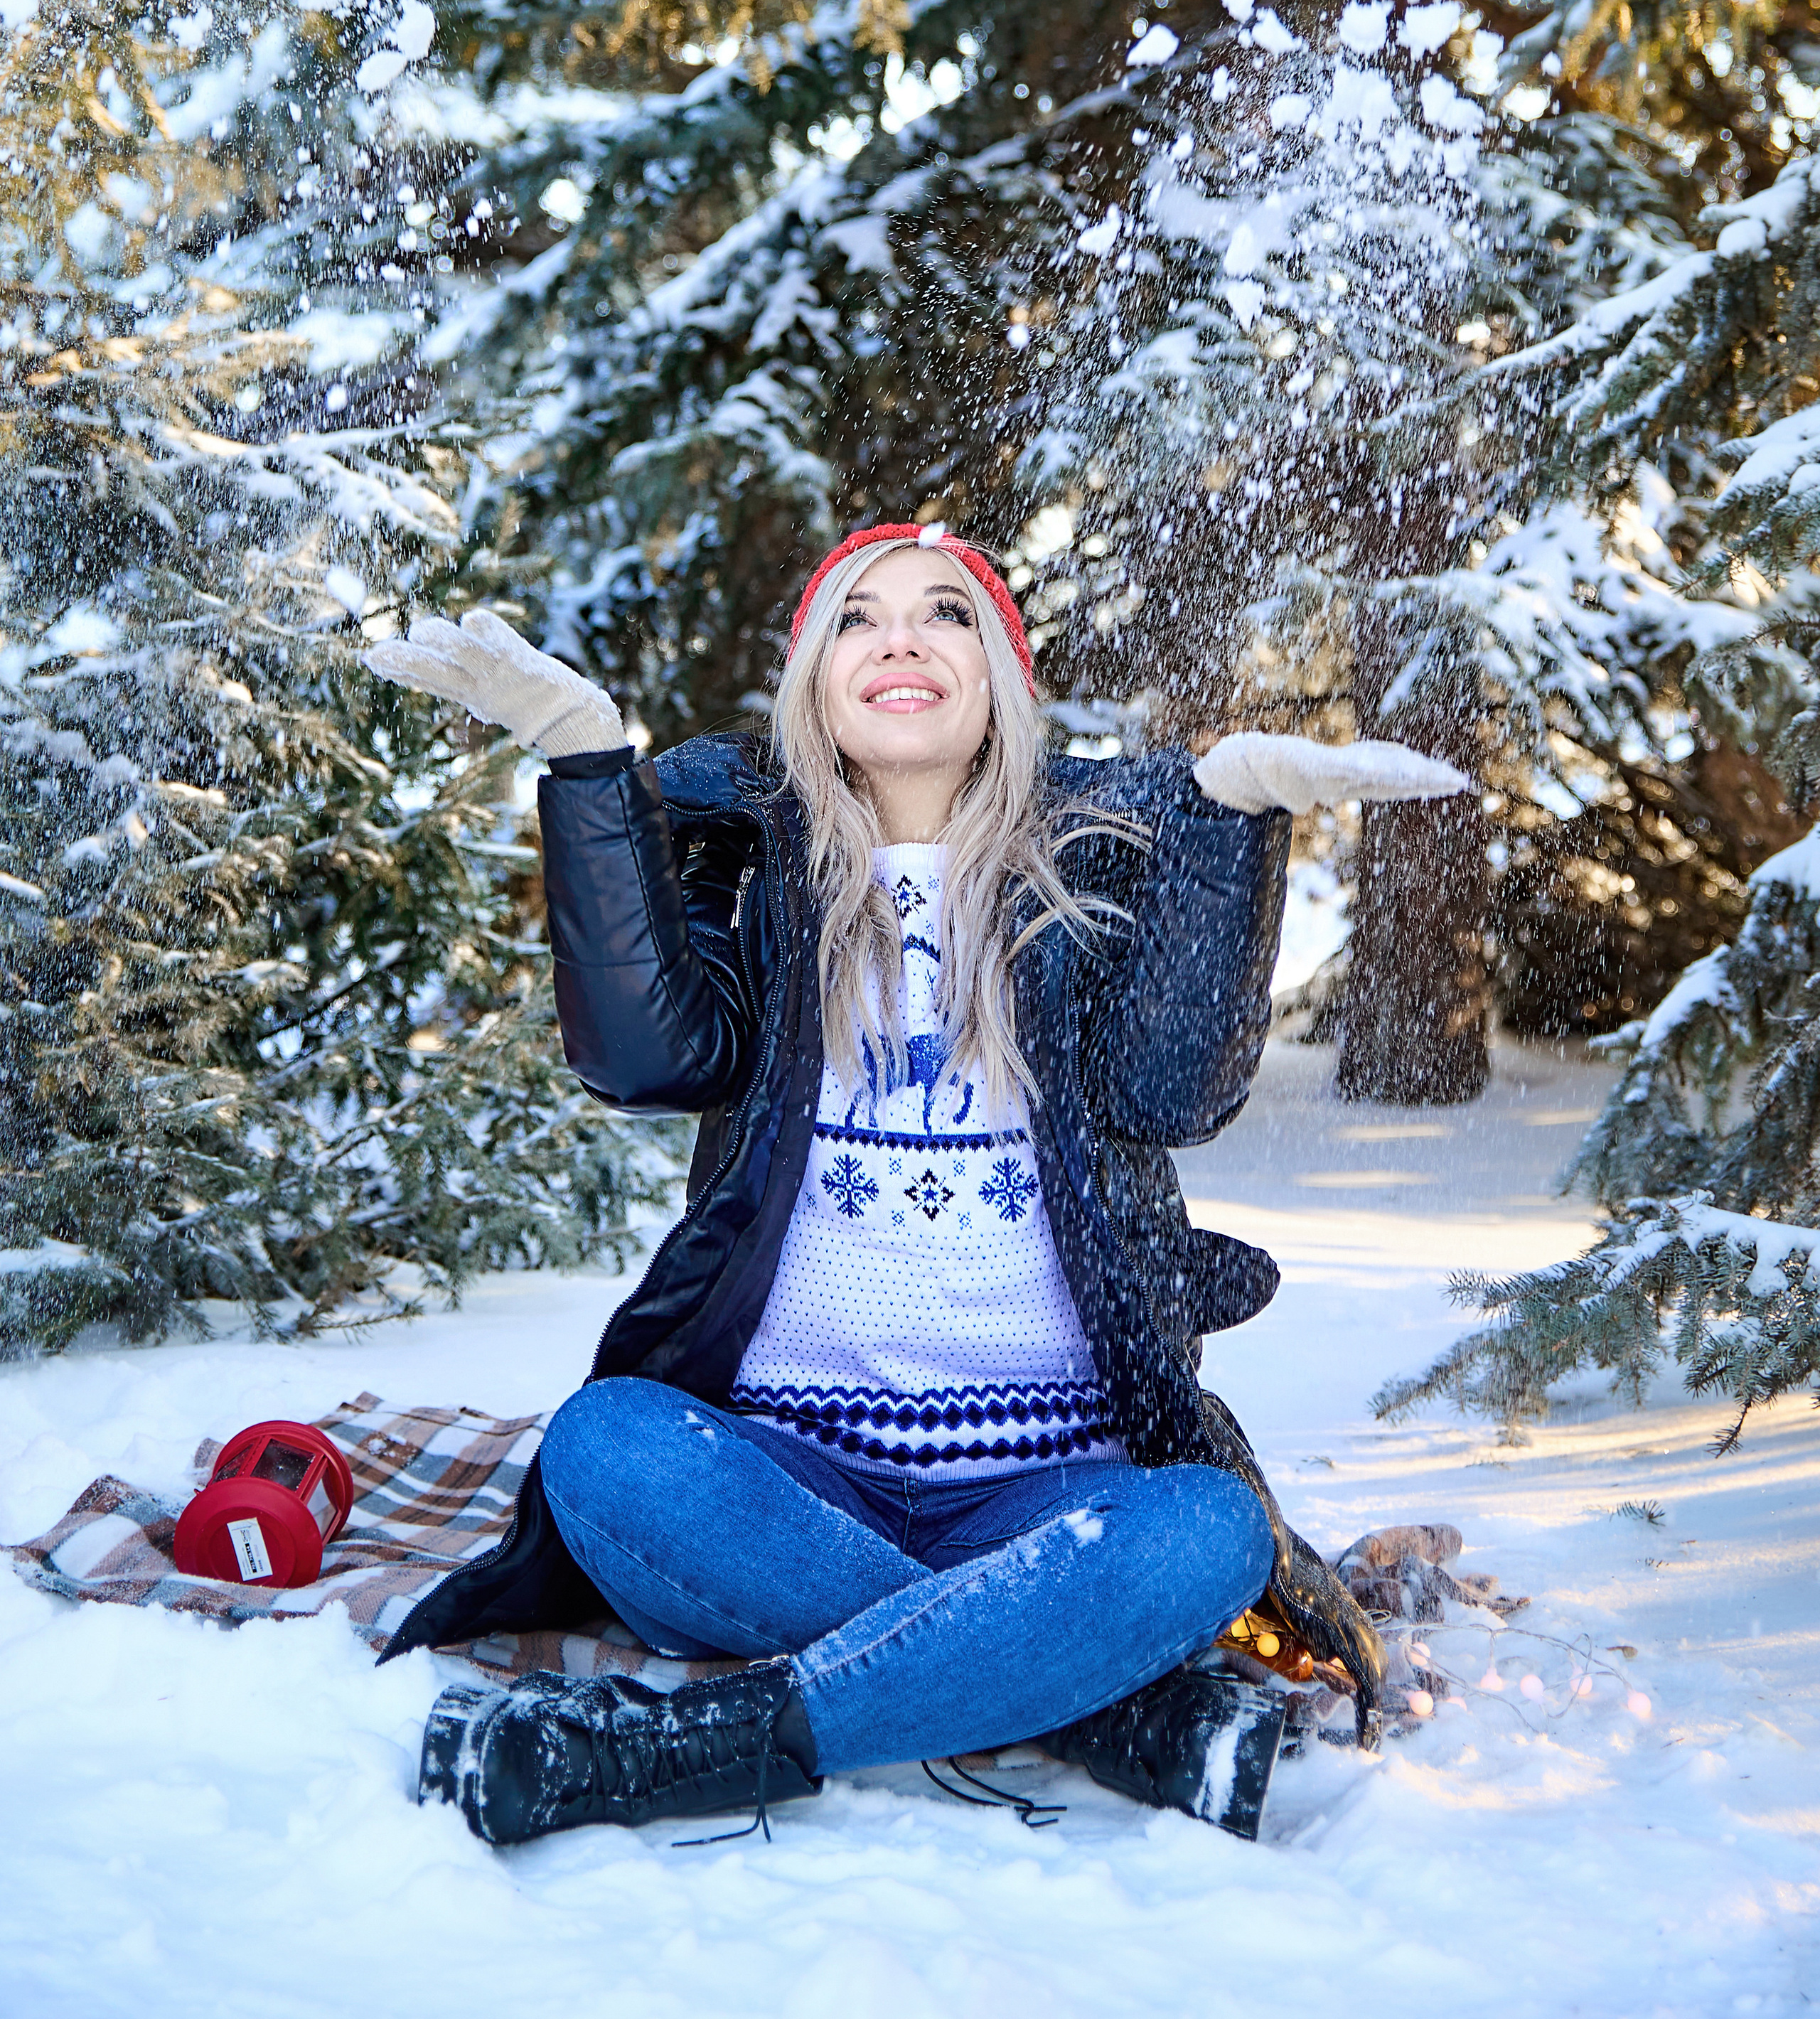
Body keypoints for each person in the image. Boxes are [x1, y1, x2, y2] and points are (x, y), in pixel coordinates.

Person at [364, 526, 1464, 1846]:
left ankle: (685, 1751)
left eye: (945, 613)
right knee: (609, 1450)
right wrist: (594, 763)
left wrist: (1227, 818)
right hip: (785, 1483)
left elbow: (1179, 1095)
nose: (899, 637)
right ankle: (1077, 1701)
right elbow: (644, 1058)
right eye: (856, 618)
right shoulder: (759, 875)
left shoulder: (1089, 876)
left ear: (999, 678)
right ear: (813, 686)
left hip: (1045, 1491)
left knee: (1206, 1534)